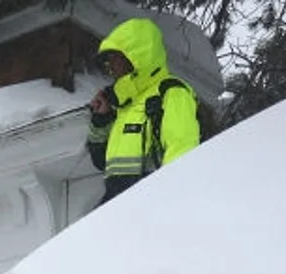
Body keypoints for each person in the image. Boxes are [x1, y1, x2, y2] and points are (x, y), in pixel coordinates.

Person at [86, 17, 202, 204]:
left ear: (136, 56)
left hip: (152, 207)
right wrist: (102, 119)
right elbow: (101, 161)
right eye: (107, 62)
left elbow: (183, 152)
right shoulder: (125, 107)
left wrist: (170, 206)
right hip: (121, 208)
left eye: (114, 59)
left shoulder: (170, 93)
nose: (110, 67)